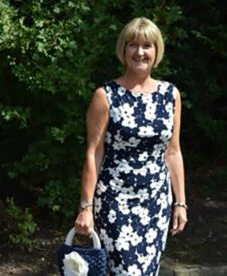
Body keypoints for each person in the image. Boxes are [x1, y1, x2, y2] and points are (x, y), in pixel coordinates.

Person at [75, 17, 187, 276]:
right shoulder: (105, 95)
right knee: (127, 271)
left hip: (156, 201)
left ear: (156, 51)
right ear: (123, 51)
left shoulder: (171, 95)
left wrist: (180, 203)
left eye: (147, 45)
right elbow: (94, 153)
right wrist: (86, 206)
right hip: (115, 201)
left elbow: (173, 151)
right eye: (132, 45)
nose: (140, 52)